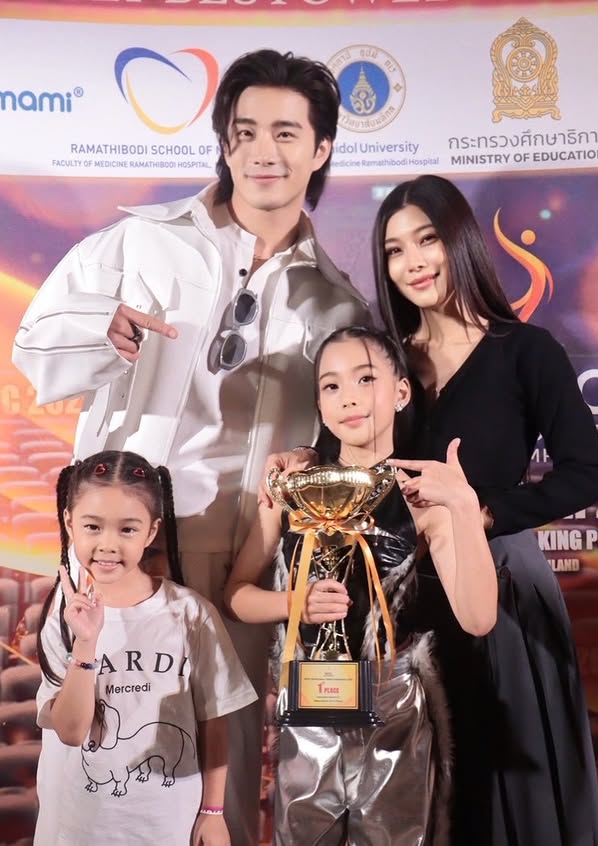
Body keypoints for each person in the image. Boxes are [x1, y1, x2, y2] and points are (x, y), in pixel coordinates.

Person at [13, 49, 368, 844]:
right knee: (92, 753)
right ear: (224, 142)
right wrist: (100, 332)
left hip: (239, 559)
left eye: (286, 132)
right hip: (123, 543)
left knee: (222, 766)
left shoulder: (336, 302)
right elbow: (33, 351)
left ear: (320, 149)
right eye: (245, 131)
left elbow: (350, 437)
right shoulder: (140, 242)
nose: (262, 151)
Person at [372, 174, 598, 846]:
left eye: (427, 240)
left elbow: (588, 473)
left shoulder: (525, 350)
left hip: (500, 587)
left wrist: (480, 516)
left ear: (461, 241)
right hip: (404, 597)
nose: (413, 262)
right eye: (395, 250)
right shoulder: (387, 364)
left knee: (508, 789)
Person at [226, 326, 498, 846]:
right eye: (331, 386)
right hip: (308, 711)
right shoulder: (291, 489)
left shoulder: (422, 497)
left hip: (393, 710)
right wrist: (294, 604)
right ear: (319, 405)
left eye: (366, 378)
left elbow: (479, 617)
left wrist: (463, 507)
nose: (348, 397)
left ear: (401, 391)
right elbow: (236, 595)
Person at [34, 450, 256, 846]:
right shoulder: (63, 619)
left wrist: (213, 812)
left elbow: (214, 720)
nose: (108, 545)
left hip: (169, 825)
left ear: (151, 532)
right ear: (69, 523)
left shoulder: (191, 614)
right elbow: (71, 731)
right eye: (92, 526)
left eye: (127, 529)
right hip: (79, 828)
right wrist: (86, 642)